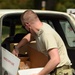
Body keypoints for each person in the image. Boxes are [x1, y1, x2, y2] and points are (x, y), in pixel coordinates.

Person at [12, 10, 72, 75]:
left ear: (27, 25)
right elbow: (30, 36)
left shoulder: (46, 34)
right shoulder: (39, 30)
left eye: (24, 27)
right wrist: (17, 47)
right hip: (56, 70)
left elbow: (55, 60)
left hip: (61, 71)